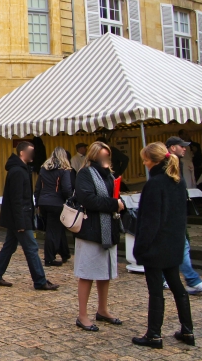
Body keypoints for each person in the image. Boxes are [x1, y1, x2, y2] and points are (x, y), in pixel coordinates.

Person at [132, 142, 194, 348]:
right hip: (173, 243)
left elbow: (150, 221)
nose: (144, 162)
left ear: (154, 161)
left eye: (146, 159)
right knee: (177, 286)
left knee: (156, 291)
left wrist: (141, 247)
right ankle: (187, 330)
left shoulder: (155, 184)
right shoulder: (177, 181)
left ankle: (154, 334)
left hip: (156, 246)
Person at [0, 142, 59, 291]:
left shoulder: (20, 170)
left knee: (9, 247)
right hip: (20, 218)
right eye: (31, 152)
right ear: (22, 153)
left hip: (20, 216)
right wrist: (21, 222)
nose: (34, 155)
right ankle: (40, 281)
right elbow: (16, 199)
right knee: (31, 248)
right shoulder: (18, 172)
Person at [73, 141, 125, 332]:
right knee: (87, 273)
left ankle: (102, 309)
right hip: (91, 230)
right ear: (94, 156)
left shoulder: (109, 175)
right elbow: (87, 199)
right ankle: (82, 315)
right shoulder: (85, 174)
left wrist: (119, 203)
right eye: (102, 156)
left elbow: (114, 196)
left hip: (108, 229)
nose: (105, 159)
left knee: (105, 272)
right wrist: (113, 204)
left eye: (107, 156)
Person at [165, 136, 202, 295]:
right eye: (181, 146)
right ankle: (192, 280)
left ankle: (167, 278)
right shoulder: (168, 165)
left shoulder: (177, 163)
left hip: (176, 213)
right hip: (172, 214)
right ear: (172, 148)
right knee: (181, 245)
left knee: (178, 246)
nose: (185, 149)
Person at [35, 147, 73, 266]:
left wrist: (37, 202)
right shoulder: (64, 170)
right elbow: (67, 188)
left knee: (57, 228)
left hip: (44, 202)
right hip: (56, 203)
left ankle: (65, 253)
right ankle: (49, 258)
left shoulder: (43, 169)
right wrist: (70, 199)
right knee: (53, 230)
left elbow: (38, 188)